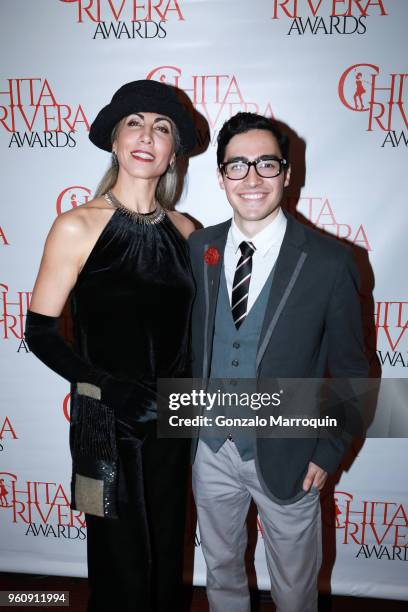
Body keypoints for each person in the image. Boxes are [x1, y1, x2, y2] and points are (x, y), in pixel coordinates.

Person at [24, 79, 197, 612]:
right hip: (105, 421)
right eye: (135, 123)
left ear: (172, 154)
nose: (148, 135)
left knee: (169, 558)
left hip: (173, 419)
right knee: (119, 563)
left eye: (162, 128)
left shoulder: (191, 233)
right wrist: (109, 390)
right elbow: (40, 333)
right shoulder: (76, 225)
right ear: (116, 140)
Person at [188, 112, 369, 612]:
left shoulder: (332, 263)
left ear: (288, 173)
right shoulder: (197, 248)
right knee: (221, 573)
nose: (251, 179)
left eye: (266, 164)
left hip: (292, 452)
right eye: (237, 166)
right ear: (221, 176)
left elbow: (354, 371)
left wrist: (328, 451)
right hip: (209, 451)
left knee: (294, 588)